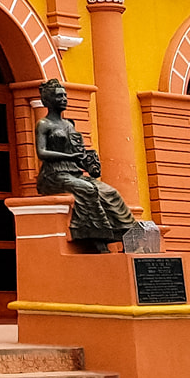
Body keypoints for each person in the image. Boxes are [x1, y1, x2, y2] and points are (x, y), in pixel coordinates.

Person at [35, 78, 139, 253]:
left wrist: (89, 161)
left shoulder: (69, 124)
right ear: (48, 100)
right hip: (53, 176)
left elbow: (79, 152)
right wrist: (69, 156)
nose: (64, 99)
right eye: (59, 96)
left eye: (65, 96)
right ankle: (95, 238)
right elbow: (41, 153)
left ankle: (125, 234)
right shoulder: (44, 124)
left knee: (109, 192)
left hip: (73, 172)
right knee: (86, 189)